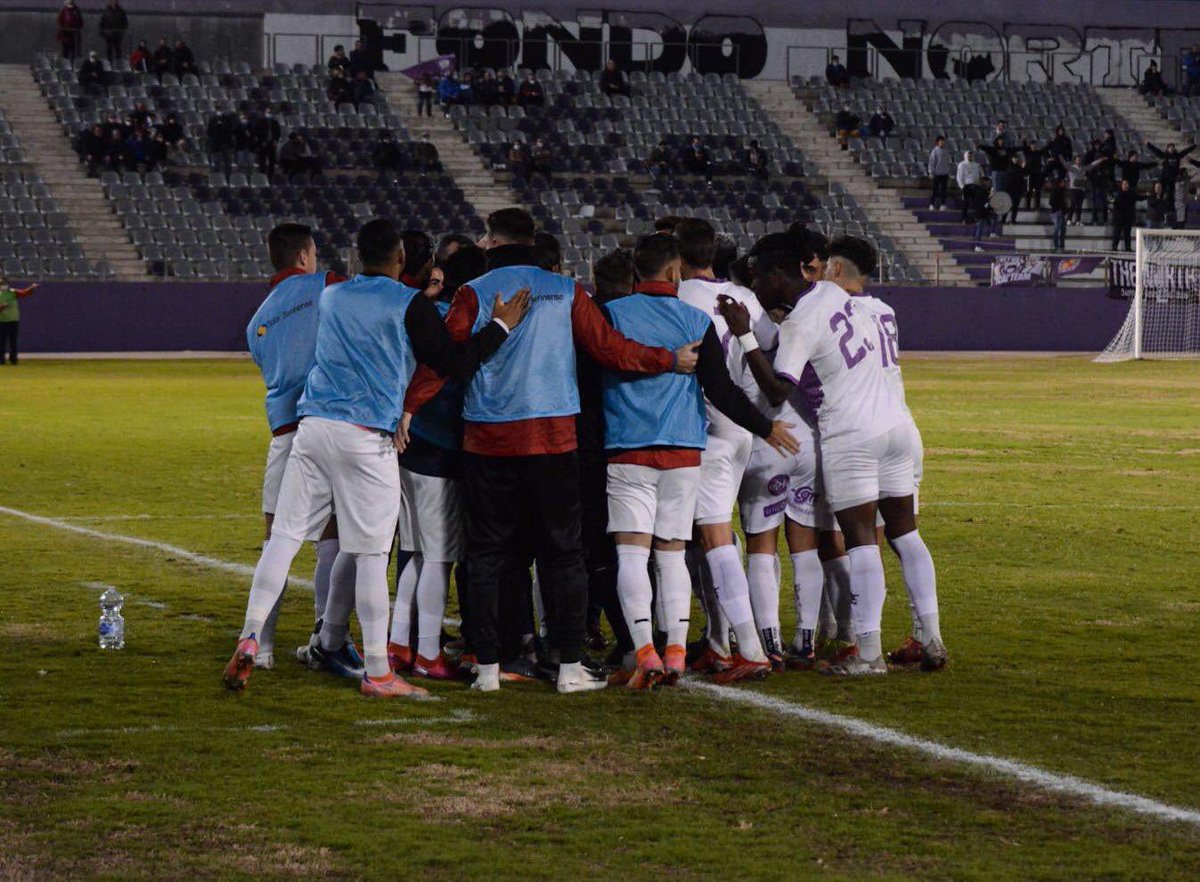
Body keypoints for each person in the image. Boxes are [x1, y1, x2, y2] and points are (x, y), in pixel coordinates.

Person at [223, 218, 531, 698]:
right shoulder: (408, 305)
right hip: (366, 437)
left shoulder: (334, 296)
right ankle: (377, 673)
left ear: (356, 255)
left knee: (283, 537)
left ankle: (251, 634)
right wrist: (500, 326)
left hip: (313, 428)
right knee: (369, 553)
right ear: (402, 258)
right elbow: (453, 363)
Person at [401, 208, 700, 694]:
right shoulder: (566, 291)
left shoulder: (474, 291)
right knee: (564, 555)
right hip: (553, 438)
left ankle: (490, 669)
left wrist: (411, 407)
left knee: (487, 554)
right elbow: (609, 349)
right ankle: (568, 669)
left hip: (488, 439)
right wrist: (667, 359)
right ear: (532, 238)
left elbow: (443, 360)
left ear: (494, 240)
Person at [718, 235, 927, 676]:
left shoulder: (800, 321)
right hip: (898, 425)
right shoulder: (845, 297)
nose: (755, 287)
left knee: (859, 540)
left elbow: (777, 391)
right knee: (901, 535)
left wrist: (745, 336)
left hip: (850, 434)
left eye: (760, 278)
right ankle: (928, 636)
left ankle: (867, 653)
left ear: (778, 275)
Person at [603, 233, 796, 689]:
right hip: (701, 440)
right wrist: (763, 425)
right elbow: (731, 377)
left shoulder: (614, 313)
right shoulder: (720, 304)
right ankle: (697, 647)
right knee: (680, 548)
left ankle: (736, 647)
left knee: (664, 546)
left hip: (659, 439)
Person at [674, 218, 777, 681]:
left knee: (714, 536)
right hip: (739, 427)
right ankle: (718, 641)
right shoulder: (747, 298)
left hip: (707, 427)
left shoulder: (678, 299)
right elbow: (769, 346)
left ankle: (749, 647)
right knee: (707, 536)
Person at [243, 225, 346, 670]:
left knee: (276, 538)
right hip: (326, 424)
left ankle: (259, 645)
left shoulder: (256, 322)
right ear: (304, 257)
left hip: (284, 434)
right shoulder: (327, 286)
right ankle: (324, 635)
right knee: (332, 537)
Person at [390, 243, 486, 681]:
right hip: (442, 444)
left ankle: (397, 644)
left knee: (414, 552)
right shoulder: (462, 320)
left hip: (411, 443)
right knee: (439, 557)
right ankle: (428, 653)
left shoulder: (424, 310)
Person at [0, 277, 38, 365]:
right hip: (2, 321)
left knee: (13, 342)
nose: (3, 286)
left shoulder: (13, 292)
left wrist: (32, 288)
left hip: (13, 320)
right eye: (1, 284)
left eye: (4, 284)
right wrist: (1, 307)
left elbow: (24, 293)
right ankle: (1, 359)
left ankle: (13, 359)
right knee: (1, 342)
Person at [1084, 139, 1112, 225]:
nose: (1097, 146)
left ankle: (1105, 219)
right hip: (1093, 179)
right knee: (1094, 201)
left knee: (1104, 201)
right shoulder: (1089, 154)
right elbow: (1086, 166)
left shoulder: (1104, 154)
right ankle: (1095, 219)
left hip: (1102, 179)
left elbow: (1109, 165)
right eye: (1096, 145)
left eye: (1098, 145)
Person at [1110, 179, 1138, 251]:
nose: (1126, 185)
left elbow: (1139, 197)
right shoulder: (1117, 194)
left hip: (1128, 218)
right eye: (1124, 184)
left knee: (1127, 234)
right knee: (1117, 234)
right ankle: (1114, 247)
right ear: (1121, 185)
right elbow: (1113, 204)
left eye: (1127, 184)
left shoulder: (1131, 194)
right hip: (1118, 218)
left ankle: (1128, 248)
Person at [956, 150, 983, 223]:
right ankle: (964, 218)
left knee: (978, 202)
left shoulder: (976, 165)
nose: (970, 157)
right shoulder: (962, 164)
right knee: (965, 203)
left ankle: (977, 218)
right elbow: (959, 176)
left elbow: (979, 175)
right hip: (966, 186)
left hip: (975, 186)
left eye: (971, 155)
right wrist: (962, 186)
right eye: (969, 155)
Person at [99, 0, 128, 64]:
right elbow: (102, 22)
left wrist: (122, 31)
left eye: (116, 1)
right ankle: (110, 64)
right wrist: (103, 32)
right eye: (113, 1)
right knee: (109, 50)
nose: (114, 2)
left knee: (118, 50)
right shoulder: (106, 11)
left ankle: (118, 64)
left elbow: (125, 22)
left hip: (118, 34)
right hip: (109, 35)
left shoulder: (121, 11)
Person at [1022, 139, 1048, 210]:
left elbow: (1045, 149)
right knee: (1029, 191)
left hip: (1037, 174)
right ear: (1030, 146)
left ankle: (1037, 206)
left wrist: (1050, 143)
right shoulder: (1027, 152)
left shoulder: (1038, 153)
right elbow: (1024, 147)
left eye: (1035, 145)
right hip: (1029, 175)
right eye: (1032, 145)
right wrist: (1024, 141)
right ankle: (1027, 206)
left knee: (1038, 191)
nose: (1034, 146)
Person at [926, 136, 951, 210]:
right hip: (937, 174)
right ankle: (932, 204)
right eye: (941, 141)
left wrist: (947, 171)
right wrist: (931, 172)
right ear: (937, 142)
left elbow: (947, 162)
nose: (942, 143)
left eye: (943, 141)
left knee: (944, 190)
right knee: (935, 190)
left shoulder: (946, 151)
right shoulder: (935, 151)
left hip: (944, 174)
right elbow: (931, 162)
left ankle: (943, 204)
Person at [1066, 154, 1088, 225]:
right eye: (1078, 159)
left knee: (1079, 206)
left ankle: (1078, 220)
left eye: (1080, 159)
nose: (1079, 161)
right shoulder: (1072, 168)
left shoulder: (1082, 168)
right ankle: (1069, 219)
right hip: (1073, 188)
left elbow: (1084, 177)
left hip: (1081, 188)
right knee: (1073, 204)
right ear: (1075, 160)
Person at [1049, 178, 1068, 250]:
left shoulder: (1063, 191)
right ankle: (1056, 245)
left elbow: (1064, 203)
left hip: (1061, 212)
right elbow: (1051, 202)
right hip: (1056, 212)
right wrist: (1058, 209)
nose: (1064, 183)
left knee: (1063, 229)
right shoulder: (1055, 191)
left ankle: (1062, 245)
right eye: (1063, 182)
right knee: (1057, 228)